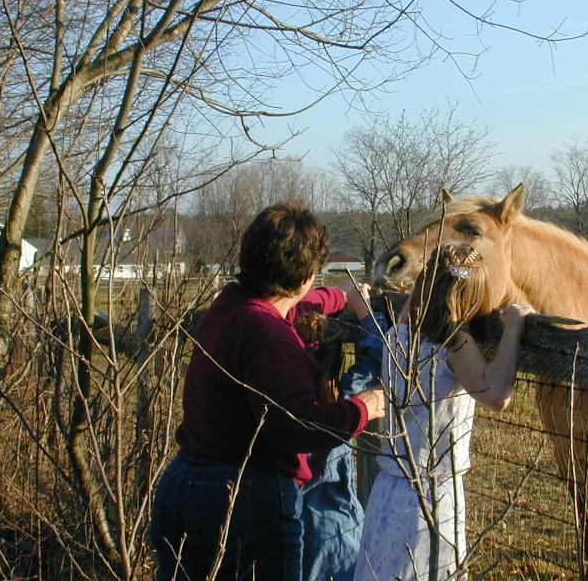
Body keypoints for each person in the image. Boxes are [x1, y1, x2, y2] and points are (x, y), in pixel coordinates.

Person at [149, 201, 385, 581]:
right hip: (244, 499)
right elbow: (296, 426)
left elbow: (292, 304)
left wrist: (339, 297)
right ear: (308, 275)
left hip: (185, 482)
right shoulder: (269, 337)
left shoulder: (232, 304)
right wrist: (364, 407)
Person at [352, 243, 535, 581]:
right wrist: (512, 330)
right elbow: (496, 396)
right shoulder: (452, 343)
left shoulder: (400, 334)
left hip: (390, 487)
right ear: (472, 297)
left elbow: (414, 305)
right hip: (431, 492)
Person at [300, 280, 387, 581]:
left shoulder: (275, 400)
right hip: (337, 529)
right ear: (335, 359)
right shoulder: (341, 407)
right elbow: (377, 358)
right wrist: (362, 308)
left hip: (288, 522)